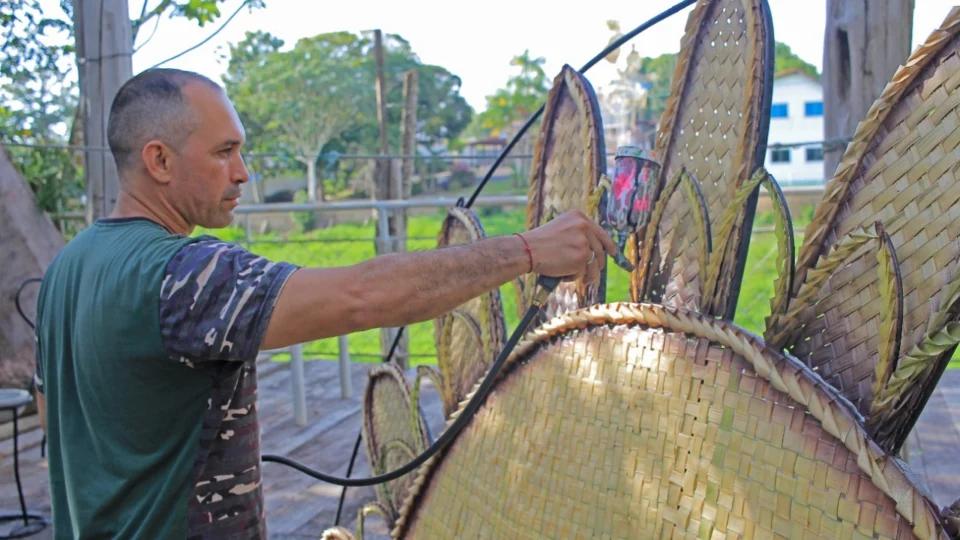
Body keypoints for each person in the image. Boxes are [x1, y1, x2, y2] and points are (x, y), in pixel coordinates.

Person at [32, 68, 616, 539]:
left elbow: (51, 412)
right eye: (224, 152)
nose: (243, 173)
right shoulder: (183, 274)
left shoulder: (66, 267)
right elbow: (360, 297)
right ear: (159, 160)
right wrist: (528, 250)